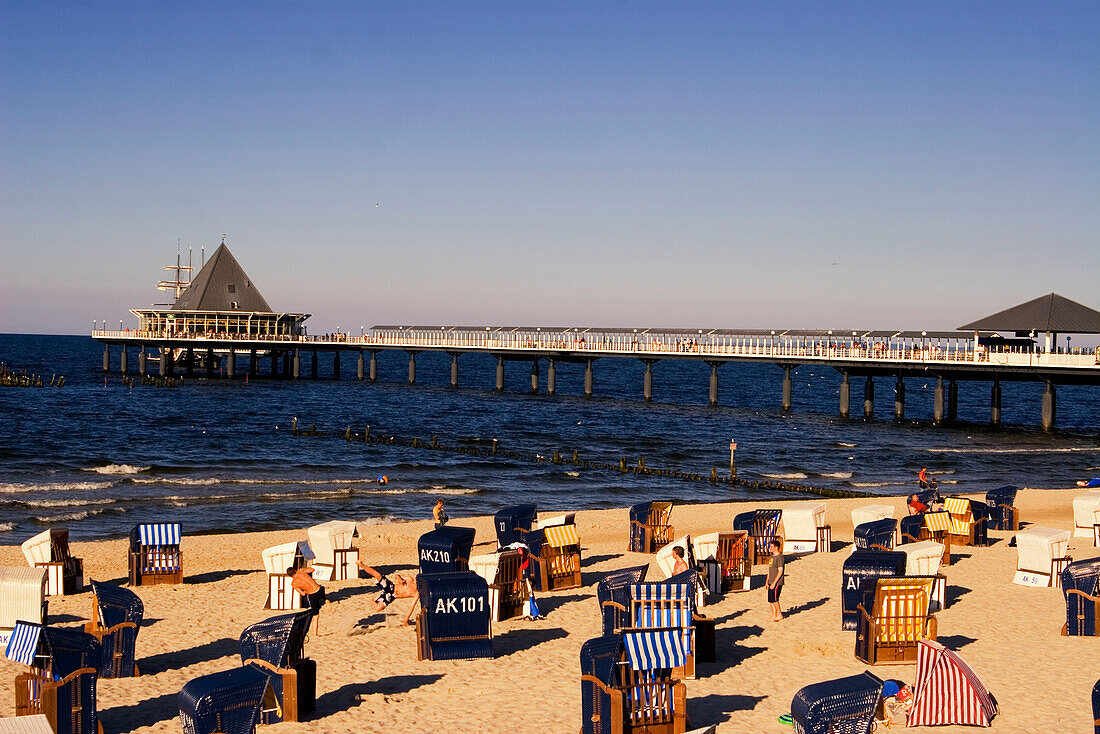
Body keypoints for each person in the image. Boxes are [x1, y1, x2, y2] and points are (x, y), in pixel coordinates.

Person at [766, 538, 785, 622]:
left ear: (776, 547)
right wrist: (767, 581)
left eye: (772, 546)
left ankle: (779, 614)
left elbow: (780, 571)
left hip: (777, 582)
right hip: (770, 581)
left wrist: (774, 583)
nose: (770, 548)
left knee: (775, 599)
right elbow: (769, 570)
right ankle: (774, 615)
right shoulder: (771, 557)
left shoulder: (780, 557)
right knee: (770, 600)